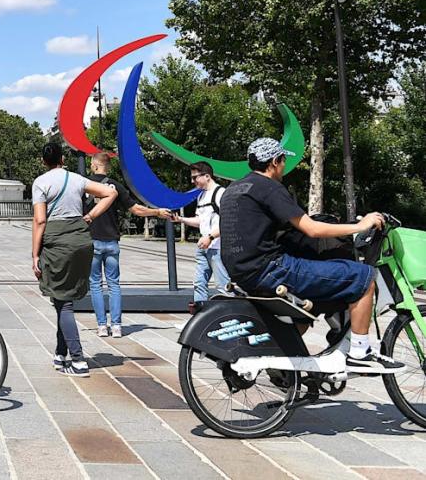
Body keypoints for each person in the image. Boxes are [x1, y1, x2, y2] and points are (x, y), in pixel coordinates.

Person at [219, 137, 403, 374]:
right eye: (283, 161)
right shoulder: (270, 188)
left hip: (241, 271)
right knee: (363, 276)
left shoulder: (234, 188)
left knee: (309, 307)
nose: (284, 167)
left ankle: (282, 360)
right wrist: (360, 226)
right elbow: (312, 229)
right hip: (270, 268)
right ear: (275, 161)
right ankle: (360, 351)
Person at [32, 143, 117, 378]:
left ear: (43, 161)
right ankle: (60, 354)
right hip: (81, 239)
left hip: (57, 241)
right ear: (61, 159)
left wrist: (35, 254)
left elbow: (40, 221)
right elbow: (111, 193)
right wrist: (89, 216)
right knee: (64, 299)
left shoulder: (41, 182)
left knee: (63, 302)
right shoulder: (78, 179)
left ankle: (78, 360)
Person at [85, 151, 173, 338]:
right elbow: (136, 209)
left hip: (92, 240)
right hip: (111, 241)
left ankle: (102, 326)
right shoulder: (116, 186)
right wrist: (157, 212)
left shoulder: (84, 185)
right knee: (114, 284)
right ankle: (117, 326)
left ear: (94, 165)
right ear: (108, 167)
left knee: (95, 284)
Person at [171, 161, 230, 312]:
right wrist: (181, 220)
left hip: (217, 248)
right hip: (204, 247)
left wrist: (210, 237)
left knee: (223, 286)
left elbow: (227, 222)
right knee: (199, 283)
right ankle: (200, 317)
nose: (192, 181)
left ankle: (229, 315)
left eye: (195, 177)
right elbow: (200, 221)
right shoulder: (202, 196)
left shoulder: (221, 193)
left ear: (207, 176)